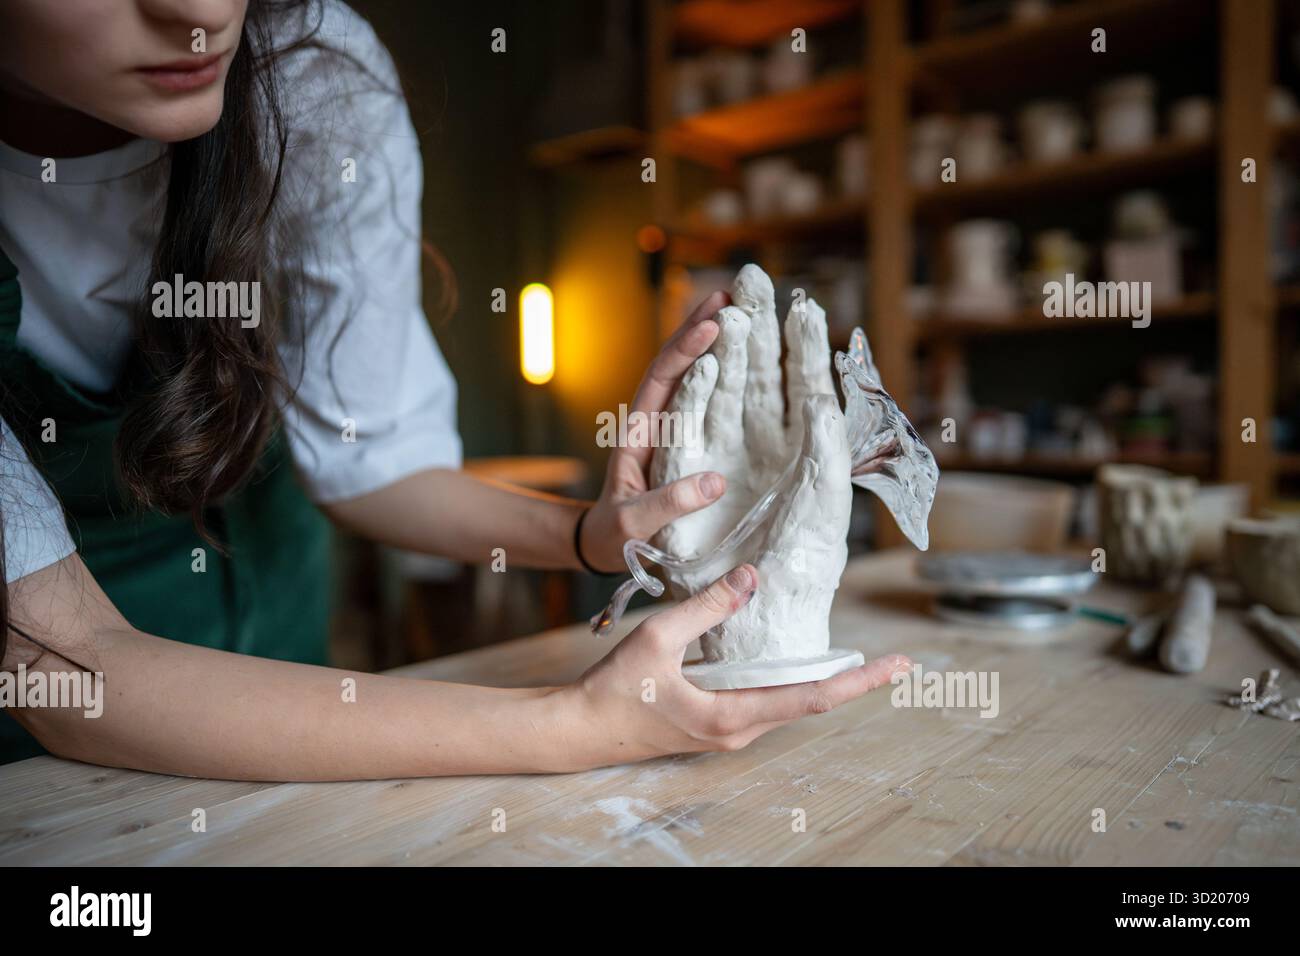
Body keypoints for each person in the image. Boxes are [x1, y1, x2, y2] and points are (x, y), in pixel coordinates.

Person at [0, 0, 907, 778]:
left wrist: (595, 536)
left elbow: (371, 463)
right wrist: (576, 726)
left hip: (291, 672)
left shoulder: (309, 76)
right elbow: (64, 664)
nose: (198, 13)